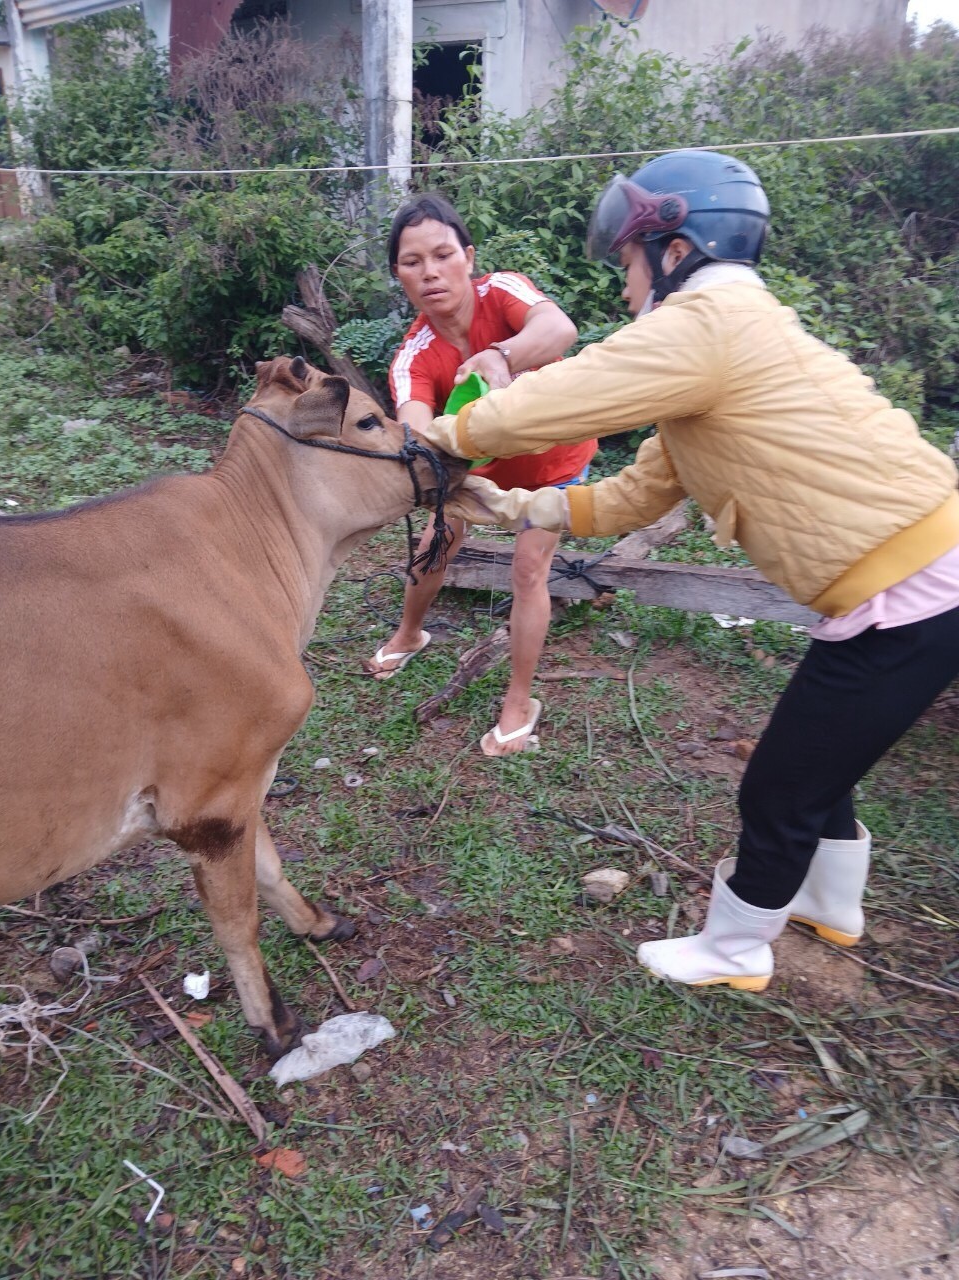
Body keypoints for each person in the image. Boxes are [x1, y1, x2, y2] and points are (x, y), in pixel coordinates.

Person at [419, 149, 959, 990]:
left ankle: (735, 949)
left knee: (778, 789)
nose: (623, 288)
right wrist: (522, 509)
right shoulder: (725, 344)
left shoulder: (704, 324)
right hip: (918, 581)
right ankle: (833, 905)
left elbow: (564, 394)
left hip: (914, 590)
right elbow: (637, 494)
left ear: (677, 252)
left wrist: (445, 438)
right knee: (824, 761)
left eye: (628, 265)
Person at [364, 193, 597, 757]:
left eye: (443, 255)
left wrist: (501, 357)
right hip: (475, 476)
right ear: (399, 275)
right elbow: (415, 426)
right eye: (412, 262)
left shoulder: (504, 292)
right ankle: (409, 633)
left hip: (554, 463)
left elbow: (558, 328)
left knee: (527, 569)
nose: (431, 272)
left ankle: (520, 700)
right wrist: (426, 446)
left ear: (468, 256)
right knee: (435, 542)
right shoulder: (413, 355)